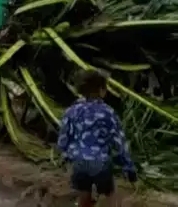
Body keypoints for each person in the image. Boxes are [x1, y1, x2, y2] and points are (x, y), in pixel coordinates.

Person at [57, 69, 137, 207]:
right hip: (101, 163)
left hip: (79, 162)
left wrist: (67, 156)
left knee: (84, 196)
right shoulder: (108, 112)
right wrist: (128, 167)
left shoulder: (72, 111)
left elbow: (63, 140)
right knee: (110, 196)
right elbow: (119, 143)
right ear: (101, 90)